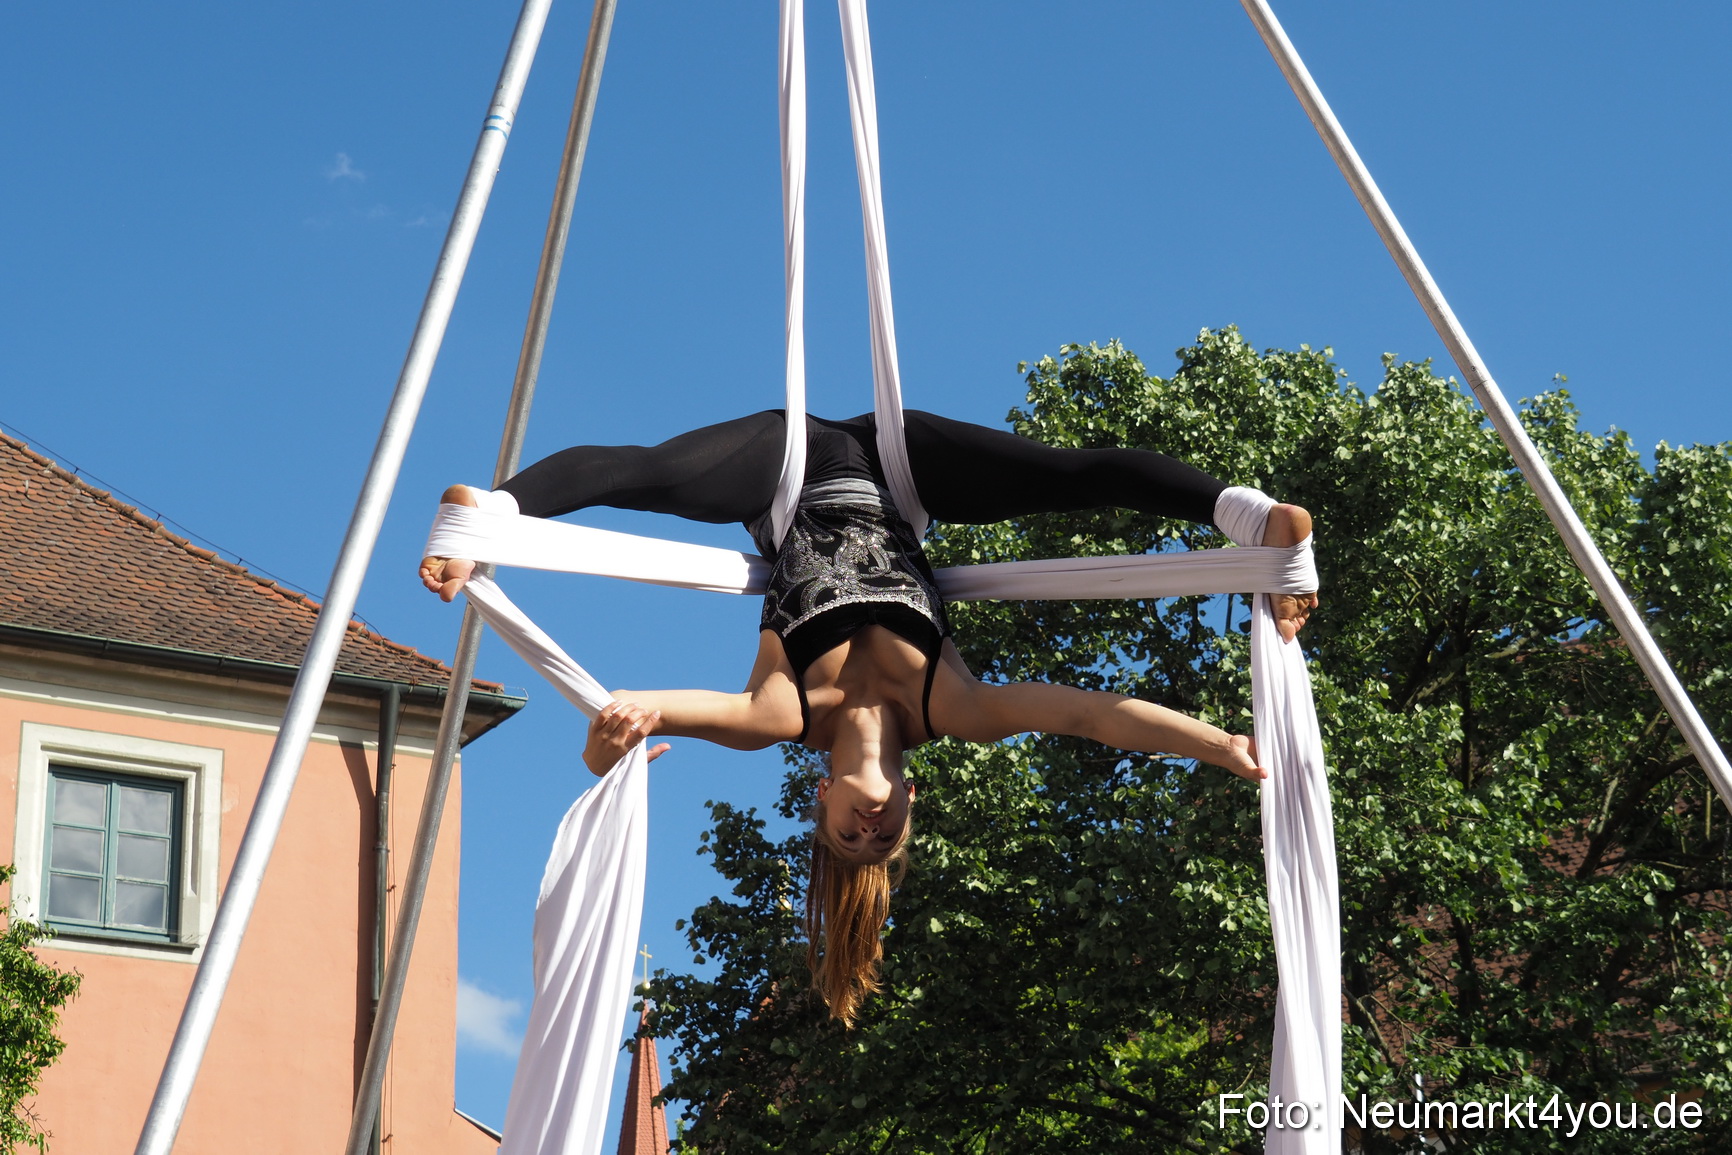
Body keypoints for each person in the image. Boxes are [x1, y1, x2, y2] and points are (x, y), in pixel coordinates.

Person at [420, 409, 1315, 1025]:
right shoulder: (951, 707)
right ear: (909, 800)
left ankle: (491, 510)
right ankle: (1257, 520)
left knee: (643, 470)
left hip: (783, 476)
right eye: (884, 840)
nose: (871, 827)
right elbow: (1086, 715)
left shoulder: (784, 712)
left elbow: (651, 710)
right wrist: (1215, 742)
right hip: (902, 469)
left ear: (821, 801)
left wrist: (602, 747)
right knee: (1069, 474)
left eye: (850, 838)